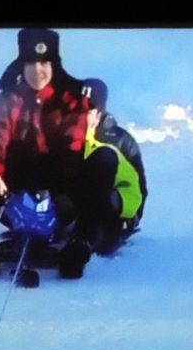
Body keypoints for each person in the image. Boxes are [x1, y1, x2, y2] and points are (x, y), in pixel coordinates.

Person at [0, 28, 89, 277]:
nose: (37, 71)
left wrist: (61, 195)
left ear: (54, 65)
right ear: (21, 65)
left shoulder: (71, 101)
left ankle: (80, 244)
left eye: (44, 63)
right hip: (9, 196)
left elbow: (73, 148)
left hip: (57, 200)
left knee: (98, 160)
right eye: (31, 64)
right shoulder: (6, 98)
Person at [57, 78, 147, 278]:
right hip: (73, 207)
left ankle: (81, 244)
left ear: (98, 114)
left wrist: (115, 202)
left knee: (103, 161)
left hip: (108, 211)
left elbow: (137, 191)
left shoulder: (118, 142)